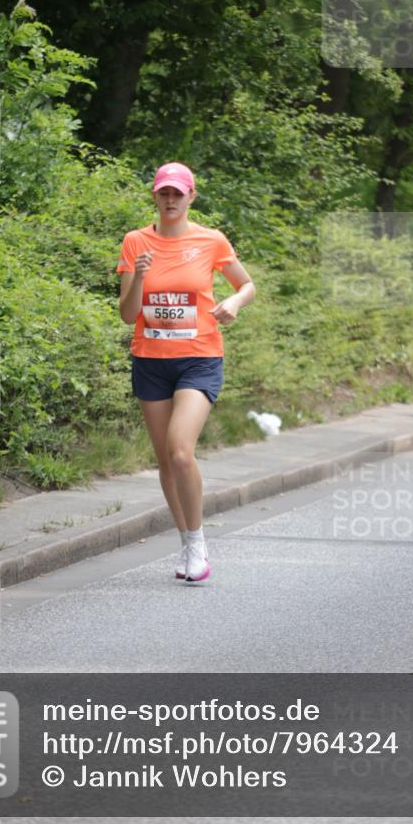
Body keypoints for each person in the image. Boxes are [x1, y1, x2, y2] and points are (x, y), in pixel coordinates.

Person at [116, 162, 256, 584]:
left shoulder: (210, 240)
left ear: (191, 197)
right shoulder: (135, 241)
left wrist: (234, 304)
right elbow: (127, 315)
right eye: (164, 193)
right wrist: (138, 277)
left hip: (199, 358)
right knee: (164, 460)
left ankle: (198, 543)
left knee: (180, 450)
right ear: (155, 197)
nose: (171, 200)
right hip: (151, 361)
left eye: (179, 193)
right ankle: (184, 539)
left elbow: (247, 285)